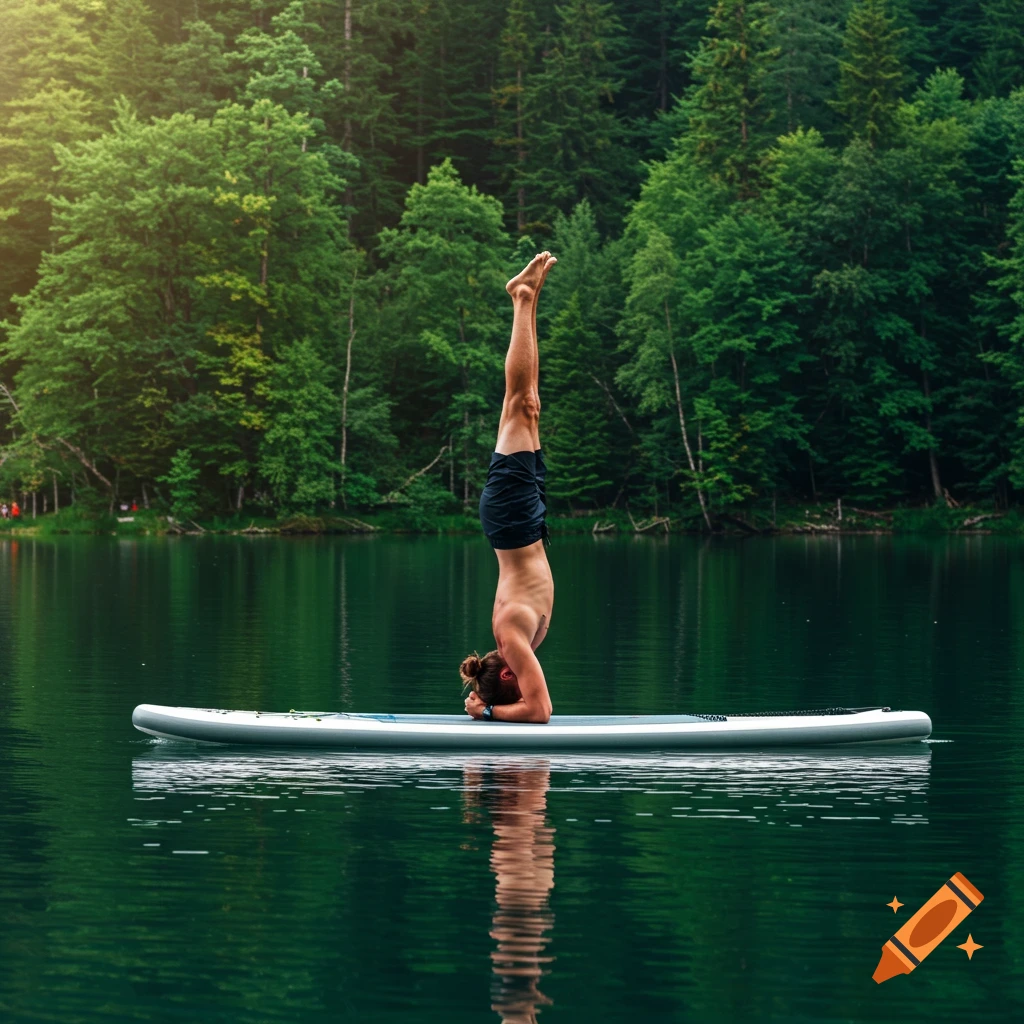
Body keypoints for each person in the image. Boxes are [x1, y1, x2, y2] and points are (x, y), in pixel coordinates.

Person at [461, 252, 557, 724]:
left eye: (513, 682)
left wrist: (489, 714)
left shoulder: (512, 640)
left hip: (513, 519)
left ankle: (521, 297)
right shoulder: (510, 643)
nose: (525, 678)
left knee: (521, 403)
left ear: (504, 676)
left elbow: (539, 712)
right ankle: (529, 295)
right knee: (530, 404)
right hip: (525, 521)